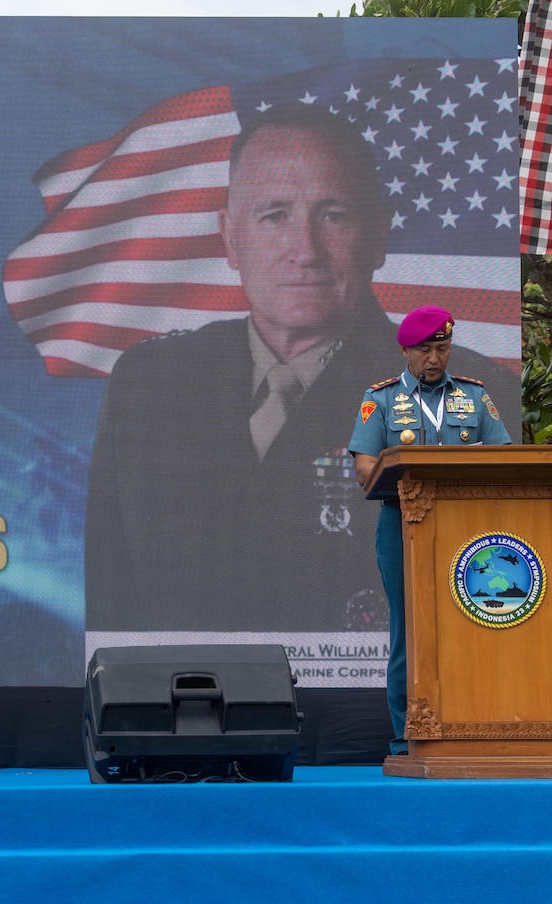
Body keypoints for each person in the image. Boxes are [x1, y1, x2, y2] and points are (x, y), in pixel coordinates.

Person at [86, 103, 518, 633]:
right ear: (229, 236)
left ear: (379, 234)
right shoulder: (150, 384)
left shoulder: (472, 399)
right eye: (276, 215)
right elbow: (109, 607)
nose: (305, 250)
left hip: (377, 712)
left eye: (334, 215)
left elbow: (494, 608)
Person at [348, 306, 512, 754]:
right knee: (410, 625)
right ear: (405, 349)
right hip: (402, 524)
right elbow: (365, 469)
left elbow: (503, 457)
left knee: (473, 618)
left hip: (467, 527)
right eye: (425, 350)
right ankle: (408, 731)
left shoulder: (474, 397)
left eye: (442, 348)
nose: (434, 358)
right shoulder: (380, 399)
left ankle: (472, 721)